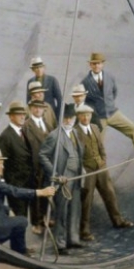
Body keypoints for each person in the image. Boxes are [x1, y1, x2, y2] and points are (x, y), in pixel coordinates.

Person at [0, 148, 56, 255]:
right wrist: (40, 192)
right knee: (22, 221)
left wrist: (7, 209)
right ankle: (19, 253)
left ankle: (19, 250)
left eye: (2, 164)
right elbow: (12, 191)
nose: (2, 167)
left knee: (16, 220)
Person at [81, 52, 134, 162]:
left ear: (102, 64)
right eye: (94, 64)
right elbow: (84, 102)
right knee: (96, 144)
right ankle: (94, 171)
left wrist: (108, 105)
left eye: (98, 63)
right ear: (90, 65)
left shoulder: (109, 77)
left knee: (133, 129)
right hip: (99, 118)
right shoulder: (85, 82)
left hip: (113, 113)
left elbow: (114, 92)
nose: (96, 66)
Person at [76, 103, 134, 240]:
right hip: (87, 171)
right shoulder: (74, 132)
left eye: (88, 115)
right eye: (83, 115)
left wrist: (103, 160)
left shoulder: (95, 128)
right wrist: (82, 169)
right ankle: (84, 230)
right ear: (78, 116)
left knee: (110, 194)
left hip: (101, 168)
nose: (86, 117)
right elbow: (74, 153)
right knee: (86, 201)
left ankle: (118, 221)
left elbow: (101, 146)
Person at [39, 103, 84, 254]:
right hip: (63, 178)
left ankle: (73, 239)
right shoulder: (54, 136)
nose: (68, 121)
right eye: (65, 118)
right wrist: (56, 175)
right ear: (61, 119)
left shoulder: (76, 134)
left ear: (75, 118)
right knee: (62, 212)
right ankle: (60, 243)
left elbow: (78, 153)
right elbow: (43, 155)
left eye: (71, 118)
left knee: (75, 209)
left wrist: (81, 170)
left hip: (76, 176)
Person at [0, 101, 41, 220]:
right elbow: (1, 164)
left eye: (24, 114)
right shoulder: (5, 137)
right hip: (16, 187)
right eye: (19, 114)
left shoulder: (23, 131)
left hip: (29, 184)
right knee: (19, 219)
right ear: (11, 116)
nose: (23, 117)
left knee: (27, 218)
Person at [24, 98, 50, 233]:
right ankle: (36, 223)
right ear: (31, 109)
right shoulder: (26, 126)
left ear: (44, 109)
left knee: (46, 192)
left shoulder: (46, 124)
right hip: (34, 166)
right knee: (35, 195)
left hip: (46, 165)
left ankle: (44, 217)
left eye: (40, 107)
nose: (37, 110)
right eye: (35, 107)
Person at [26, 57, 63, 121]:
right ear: (33, 70)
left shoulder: (52, 80)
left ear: (44, 68)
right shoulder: (30, 82)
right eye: (36, 68)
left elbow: (59, 99)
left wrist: (57, 115)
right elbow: (28, 100)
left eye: (40, 67)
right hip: (36, 114)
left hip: (50, 114)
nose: (39, 70)